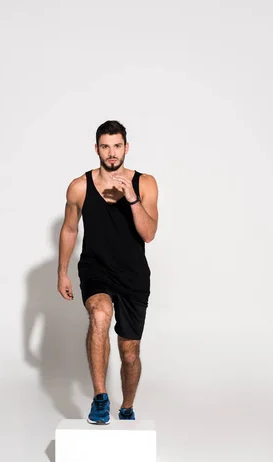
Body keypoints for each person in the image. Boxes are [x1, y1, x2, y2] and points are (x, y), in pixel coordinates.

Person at [57, 120, 158, 424]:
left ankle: (126, 405)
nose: (111, 153)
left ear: (126, 148)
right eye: (105, 146)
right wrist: (62, 272)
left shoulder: (145, 183)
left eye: (117, 146)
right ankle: (100, 398)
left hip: (133, 275)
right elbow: (70, 228)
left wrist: (132, 198)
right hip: (95, 268)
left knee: (129, 351)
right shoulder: (79, 186)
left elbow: (149, 233)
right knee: (99, 313)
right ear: (97, 149)